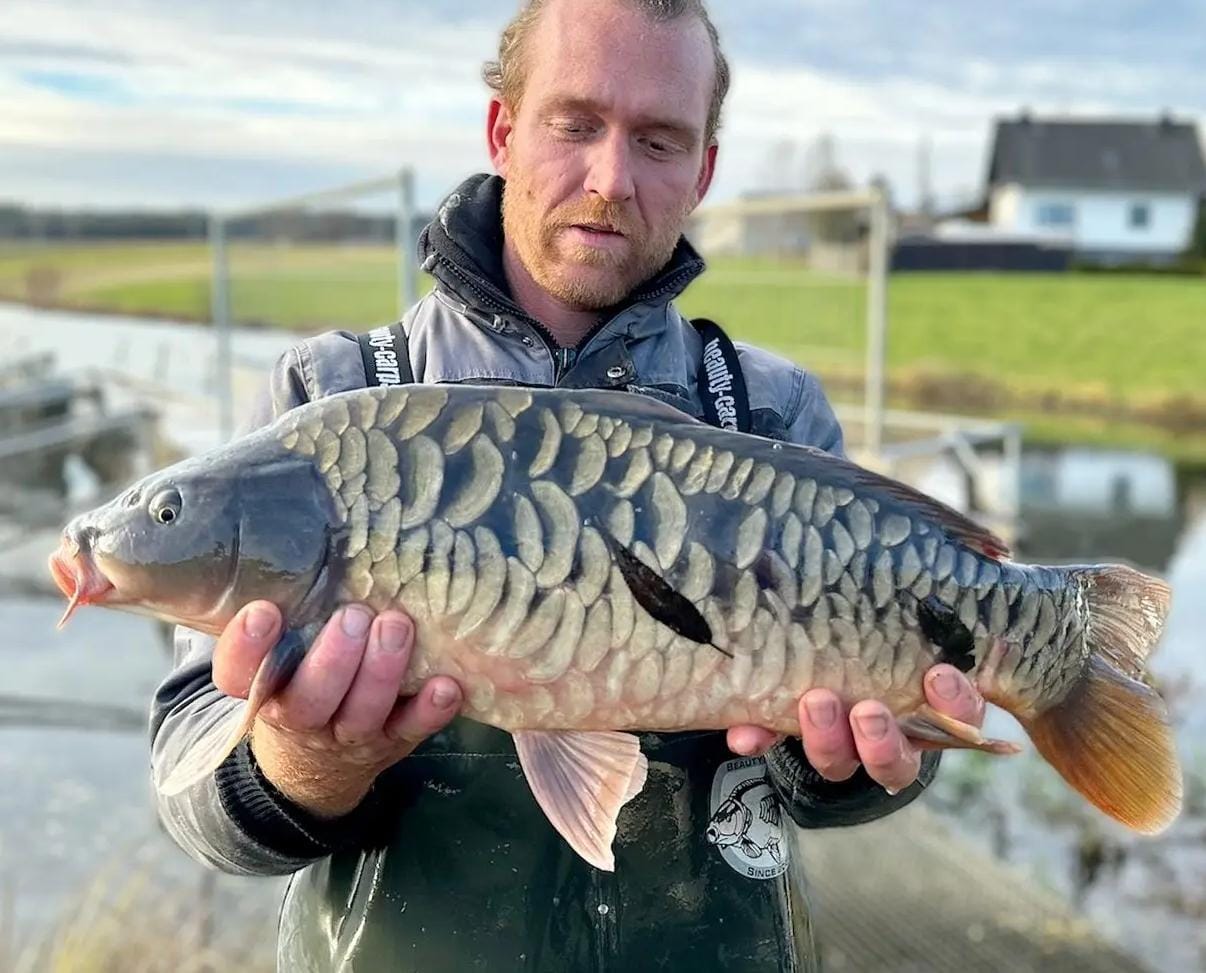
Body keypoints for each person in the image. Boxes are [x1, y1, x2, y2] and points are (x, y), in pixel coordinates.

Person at [151, 1, 987, 969]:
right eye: (576, 123)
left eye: (659, 141)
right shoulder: (329, 405)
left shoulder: (768, 411)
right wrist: (307, 760)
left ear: (703, 172)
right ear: (503, 131)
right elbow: (191, 784)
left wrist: (842, 762)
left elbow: (874, 754)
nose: (611, 178)